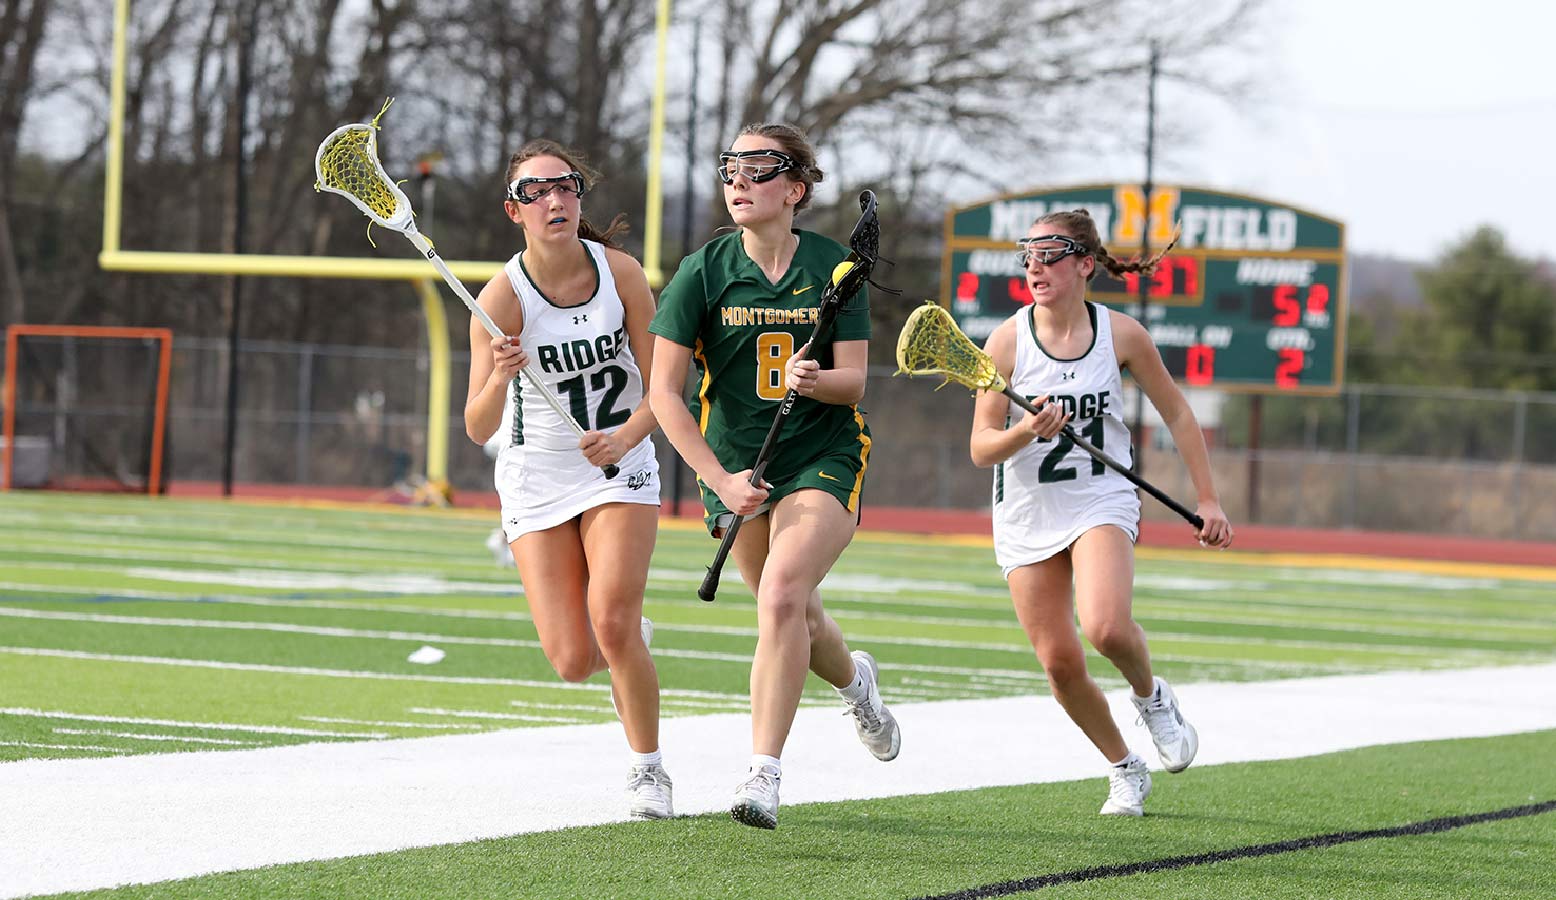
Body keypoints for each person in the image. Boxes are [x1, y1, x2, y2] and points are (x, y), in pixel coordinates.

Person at [646, 123, 901, 831]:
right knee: (795, 613)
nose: (739, 179)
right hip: (735, 462)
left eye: (759, 168)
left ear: (795, 188)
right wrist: (720, 479)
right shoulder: (702, 270)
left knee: (783, 594)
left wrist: (814, 381)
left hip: (822, 452)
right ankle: (857, 686)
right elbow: (664, 393)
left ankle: (763, 773)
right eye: (731, 166)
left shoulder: (834, 267)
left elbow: (853, 381)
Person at [968, 209, 1234, 817]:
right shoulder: (1006, 341)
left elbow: (1178, 413)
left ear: (1086, 264)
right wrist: (1026, 431)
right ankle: (1124, 767)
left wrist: (1208, 498)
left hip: (1101, 498)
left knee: (1107, 627)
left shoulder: (1123, 335)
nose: (1036, 267)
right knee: (1061, 666)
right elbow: (981, 447)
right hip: (1028, 511)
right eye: (1028, 255)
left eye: (1051, 254)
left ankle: (1151, 697)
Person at [464, 139, 670, 819]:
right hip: (538, 478)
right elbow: (476, 425)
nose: (554, 200)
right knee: (573, 661)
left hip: (618, 465)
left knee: (612, 620)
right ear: (514, 210)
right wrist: (500, 374)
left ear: (579, 197)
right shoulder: (501, 298)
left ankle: (648, 771)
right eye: (536, 191)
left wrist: (626, 437)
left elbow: (666, 388)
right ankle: (627, 640)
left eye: (565, 186)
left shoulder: (622, 274)